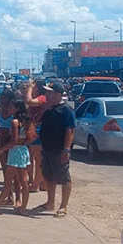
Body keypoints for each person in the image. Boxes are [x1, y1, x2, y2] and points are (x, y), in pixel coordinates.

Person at [35, 83, 75, 217]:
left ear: (58, 94)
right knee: (49, 177)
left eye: (50, 93)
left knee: (64, 178)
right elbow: (36, 121)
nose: (47, 95)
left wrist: (66, 150)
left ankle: (63, 206)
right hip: (46, 148)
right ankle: (50, 202)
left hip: (59, 149)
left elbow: (70, 131)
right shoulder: (48, 108)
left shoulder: (66, 110)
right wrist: (44, 109)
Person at [0, 99, 32, 215]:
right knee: (24, 181)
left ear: (17, 109)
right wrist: (23, 143)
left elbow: (13, 141)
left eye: (12, 107)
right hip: (23, 150)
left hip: (15, 152)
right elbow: (32, 137)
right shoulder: (26, 121)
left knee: (8, 181)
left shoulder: (15, 122)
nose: (9, 109)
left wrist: (1, 150)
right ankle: (23, 208)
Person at [24, 81, 48, 193]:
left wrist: (29, 87)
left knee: (38, 159)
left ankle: (36, 184)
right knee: (36, 158)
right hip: (36, 129)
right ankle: (43, 182)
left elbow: (29, 102)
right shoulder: (41, 98)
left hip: (38, 130)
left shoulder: (42, 98)